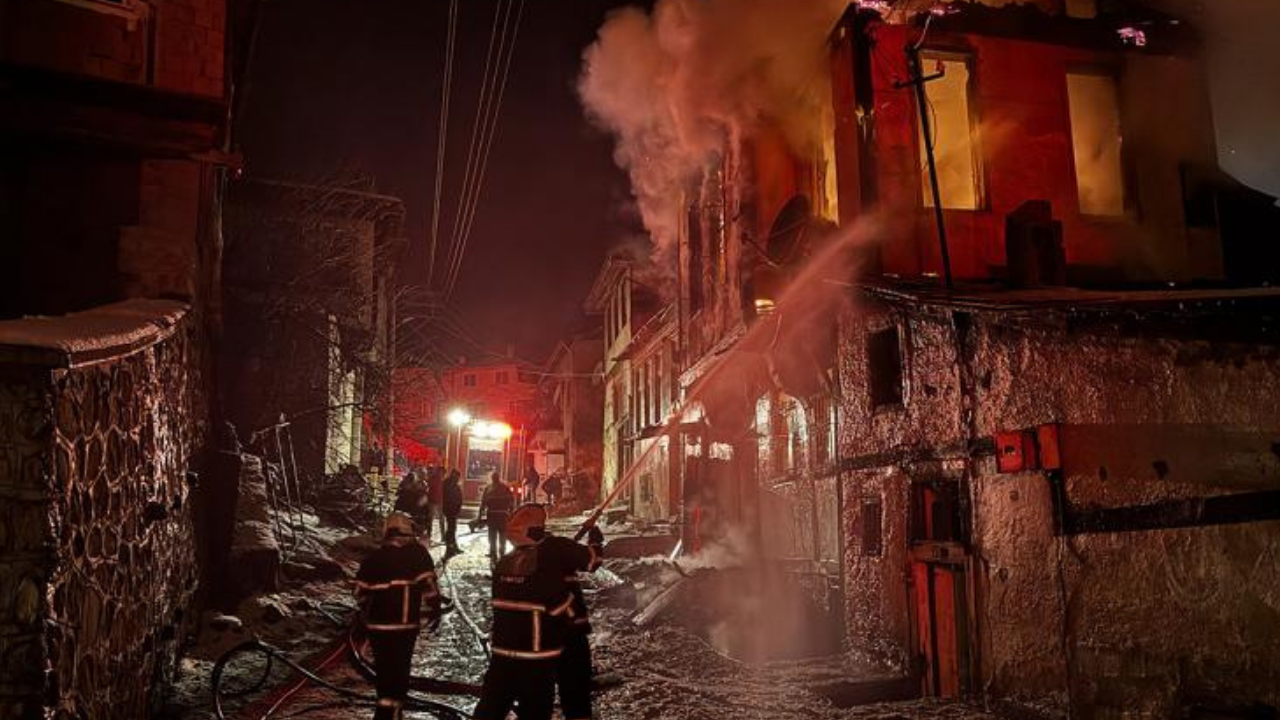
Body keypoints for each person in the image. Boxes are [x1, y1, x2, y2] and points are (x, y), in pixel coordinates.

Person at [472, 505, 604, 720]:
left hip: (512, 648)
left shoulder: (505, 562)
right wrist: (595, 539)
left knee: (496, 701)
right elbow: (592, 562)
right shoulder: (557, 548)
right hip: (560, 639)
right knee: (571, 693)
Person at [354, 512, 442, 720]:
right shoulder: (417, 554)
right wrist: (434, 608)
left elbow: (359, 594)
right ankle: (392, 713)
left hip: (378, 627)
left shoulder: (374, 558)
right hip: (404, 626)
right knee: (399, 671)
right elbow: (429, 587)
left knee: (384, 672)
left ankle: (386, 711)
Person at [476, 472, 515, 563]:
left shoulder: (488, 488)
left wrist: (480, 516)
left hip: (492, 515)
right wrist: (511, 513)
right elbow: (511, 500)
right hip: (502, 515)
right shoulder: (505, 488)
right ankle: (502, 552)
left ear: (492, 478)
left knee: (492, 535)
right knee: (502, 534)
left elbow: (483, 503)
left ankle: (493, 552)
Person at [442, 469, 463, 558]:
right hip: (450, 509)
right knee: (451, 529)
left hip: (452, 509)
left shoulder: (450, 484)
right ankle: (450, 548)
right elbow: (449, 497)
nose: (458, 479)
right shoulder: (448, 484)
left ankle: (453, 547)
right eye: (457, 477)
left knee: (452, 528)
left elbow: (459, 497)